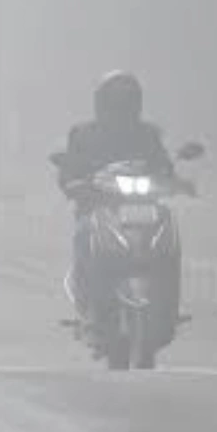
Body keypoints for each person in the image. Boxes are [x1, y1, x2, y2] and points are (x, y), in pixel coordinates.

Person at [54, 71, 179, 330]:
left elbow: (163, 165)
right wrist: (74, 183)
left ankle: (169, 304)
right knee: (85, 232)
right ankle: (87, 301)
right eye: (115, 101)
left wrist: (172, 179)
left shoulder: (148, 134)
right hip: (98, 206)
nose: (121, 107)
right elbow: (69, 168)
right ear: (101, 102)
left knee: (170, 229)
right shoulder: (84, 134)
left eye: (127, 100)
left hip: (144, 207)